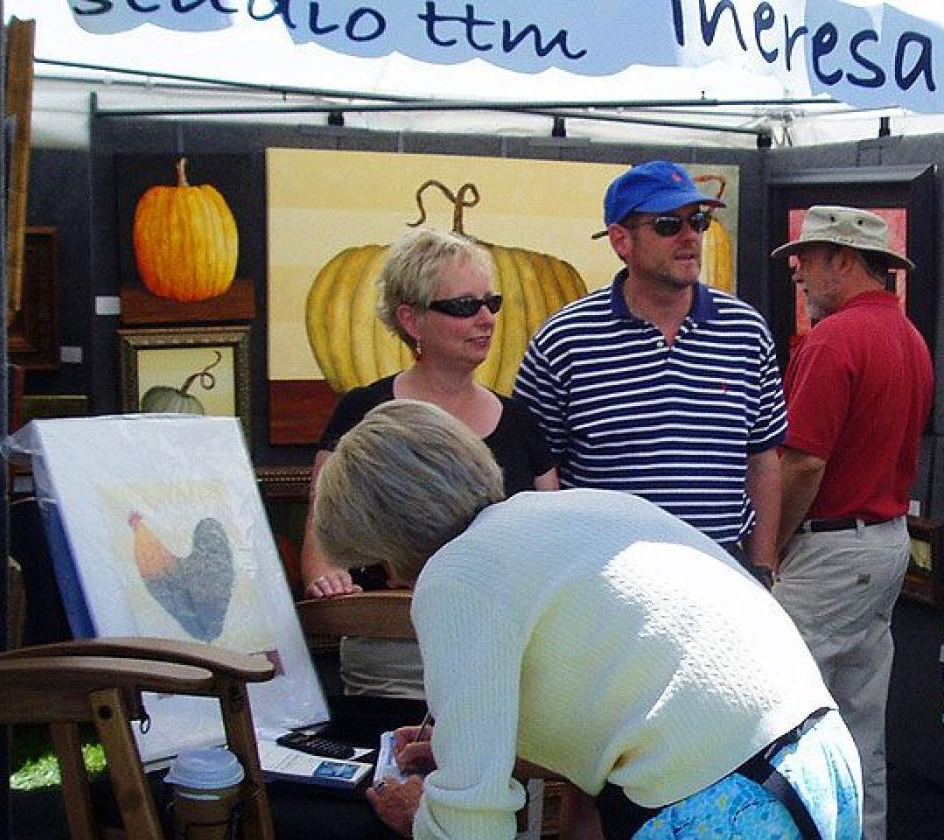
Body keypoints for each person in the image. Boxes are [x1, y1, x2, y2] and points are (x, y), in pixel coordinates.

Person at [311, 399, 864, 840]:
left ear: (392, 535)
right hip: (816, 760)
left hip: (724, 802)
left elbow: (471, 827)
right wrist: (464, 749)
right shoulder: (565, 512)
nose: (391, 572)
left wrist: (423, 815)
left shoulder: (457, 572)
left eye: (378, 556)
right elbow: (620, 696)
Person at [298, 227, 557, 697]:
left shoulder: (521, 422)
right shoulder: (361, 410)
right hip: (392, 651)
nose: (485, 319)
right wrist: (328, 584)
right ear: (411, 320)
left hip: (498, 652)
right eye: (464, 306)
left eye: (491, 303)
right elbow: (320, 539)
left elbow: (549, 546)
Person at [513, 160, 786, 579]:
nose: (689, 237)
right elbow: (534, 471)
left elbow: (763, 458)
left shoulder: (745, 331)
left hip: (720, 578)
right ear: (621, 240)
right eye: (667, 225)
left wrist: (763, 567)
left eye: (697, 221)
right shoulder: (564, 340)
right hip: (605, 584)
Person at [768, 205, 933, 840]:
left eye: (806, 261)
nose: (798, 276)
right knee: (859, 724)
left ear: (843, 260)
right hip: (884, 543)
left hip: (831, 549)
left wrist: (769, 550)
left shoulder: (835, 339)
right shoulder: (908, 336)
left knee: (783, 718)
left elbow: (804, 462)